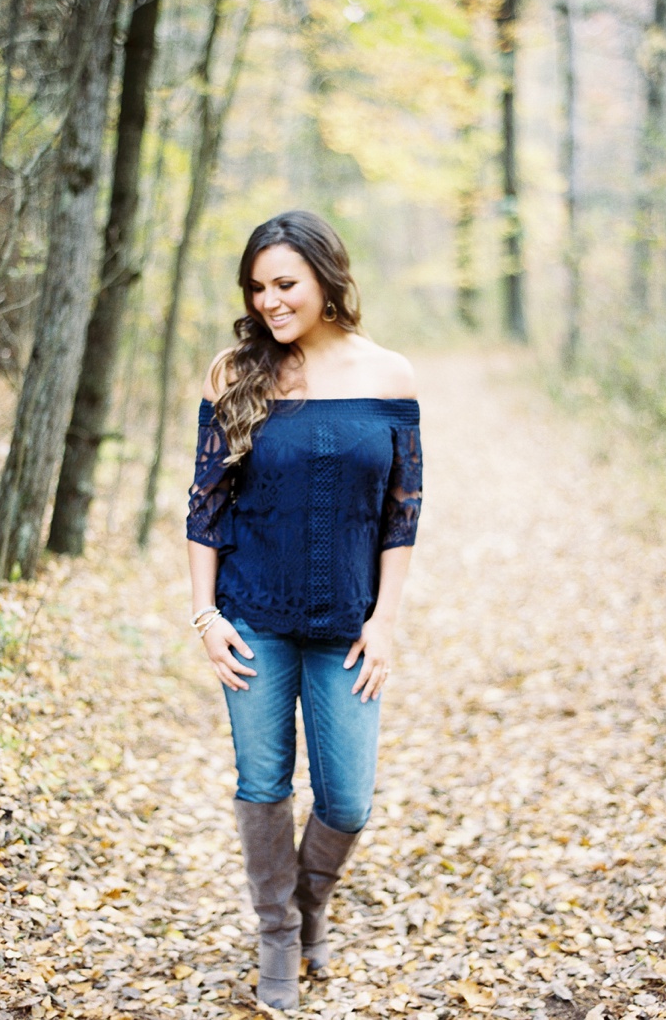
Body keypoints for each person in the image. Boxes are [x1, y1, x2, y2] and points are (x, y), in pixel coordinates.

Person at [186, 210, 422, 1010]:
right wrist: (203, 616)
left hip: (348, 624)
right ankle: (277, 935)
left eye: (284, 283)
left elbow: (402, 511)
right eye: (257, 288)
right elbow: (204, 509)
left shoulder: (389, 377)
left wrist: (385, 619)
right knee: (262, 781)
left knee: (348, 797)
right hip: (250, 614)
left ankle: (309, 900)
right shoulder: (233, 372)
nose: (269, 302)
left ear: (326, 276)